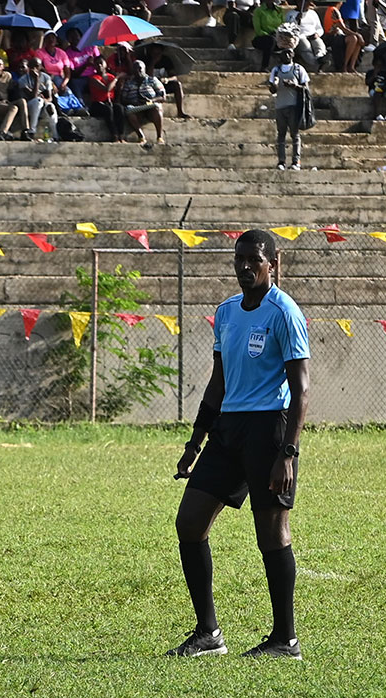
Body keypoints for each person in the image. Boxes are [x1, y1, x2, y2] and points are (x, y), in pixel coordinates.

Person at [170, 229, 309, 661]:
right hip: (228, 429)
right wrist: (195, 439)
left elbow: (301, 388)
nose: (245, 267)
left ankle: (284, 639)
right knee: (189, 523)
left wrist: (287, 452)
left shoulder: (284, 312)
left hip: (270, 428)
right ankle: (208, 633)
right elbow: (218, 382)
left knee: (270, 533)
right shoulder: (226, 312)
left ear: (273, 263)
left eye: (254, 260)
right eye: (239, 259)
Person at [268, 45, 309, 168]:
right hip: (280, 106)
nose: (286, 55)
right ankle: (281, 161)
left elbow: (306, 88)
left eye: (289, 53)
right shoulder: (276, 70)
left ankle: (296, 161)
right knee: (281, 134)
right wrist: (274, 85)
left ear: (293, 55)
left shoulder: (298, 69)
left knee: (295, 135)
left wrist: (294, 86)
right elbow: (272, 90)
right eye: (284, 53)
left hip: (294, 106)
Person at [119, 58, 166, 146]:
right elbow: (123, 99)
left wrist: (151, 100)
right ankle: (141, 136)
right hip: (136, 106)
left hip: (149, 104)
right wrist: (135, 102)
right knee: (128, 110)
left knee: (157, 106)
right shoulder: (129, 83)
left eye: (140, 68)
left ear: (144, 69)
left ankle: (159, 137)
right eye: (135, 69)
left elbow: (163, 97)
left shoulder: (152, 80)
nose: (138, 71)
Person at [252, 0, 286, 68]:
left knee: (290, 41)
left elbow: (283, 26)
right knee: (270, 41)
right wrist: (269, 34)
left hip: (278, 37)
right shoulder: (258, 11)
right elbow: (258, 30)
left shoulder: (279, 10)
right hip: (262, 38)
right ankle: (264, 66)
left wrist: (278, 35)